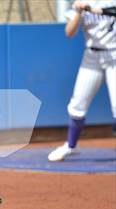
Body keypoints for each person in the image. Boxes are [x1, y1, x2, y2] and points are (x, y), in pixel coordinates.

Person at [48, 0, 116, 162]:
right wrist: (79, 12)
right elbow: (69, 32)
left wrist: (93, 9)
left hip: (114, 56)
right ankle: (71, 146)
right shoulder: (83, 1)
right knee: (77, 104)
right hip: (91, 57)